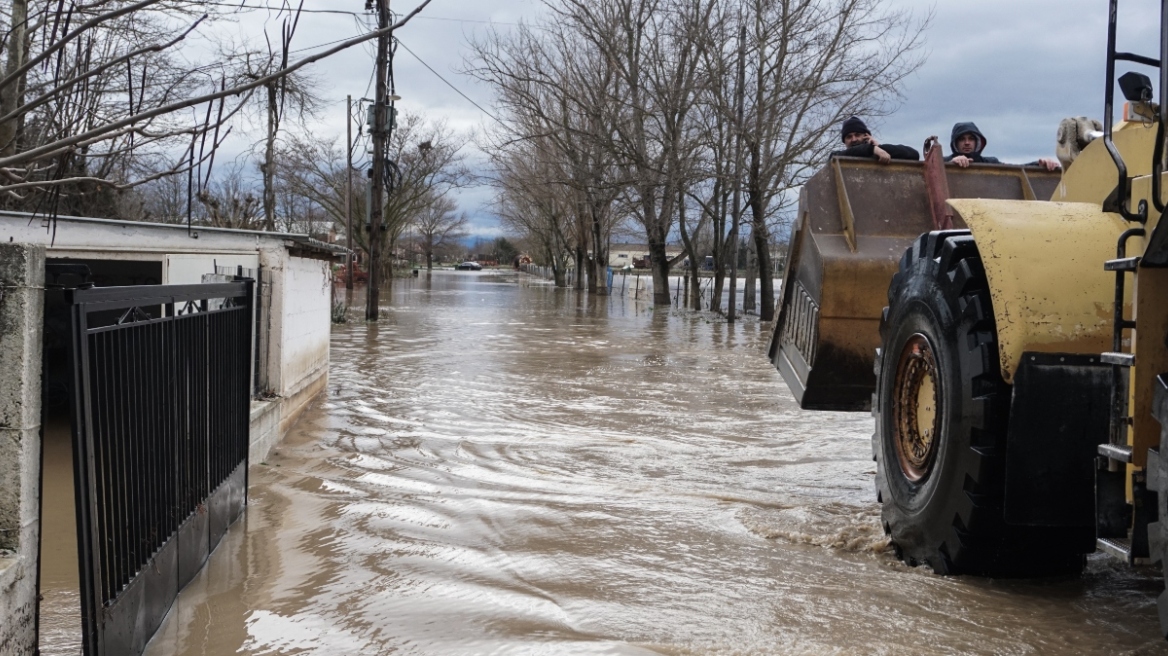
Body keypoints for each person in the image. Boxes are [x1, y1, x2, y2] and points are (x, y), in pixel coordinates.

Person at [947, 121, 1060, 171]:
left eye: (971, 139)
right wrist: (951, 164)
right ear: (955, 143)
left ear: (977, 142)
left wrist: (1040, 163)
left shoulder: (989, 163)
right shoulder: (942, 163)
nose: (967, 142)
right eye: (962, 139)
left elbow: (1015, 170)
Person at [831, 116, 919, 164]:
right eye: (849, 137)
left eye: (857, 135)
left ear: (866, 136)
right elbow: (833, 157)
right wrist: (871, 149)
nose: (853, 139)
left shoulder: (878, 152)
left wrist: (879, 147)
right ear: (844, 141)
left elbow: (913, 154)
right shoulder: (838, 156)